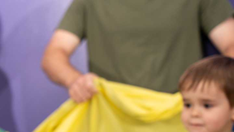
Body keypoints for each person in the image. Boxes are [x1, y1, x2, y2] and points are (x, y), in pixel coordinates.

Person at [41, 0, 234, 103]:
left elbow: (230, 43)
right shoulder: (89, 1)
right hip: (114, 117)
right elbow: (54, 54)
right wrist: (75, 81)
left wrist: (213, 88)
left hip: (183, 117)